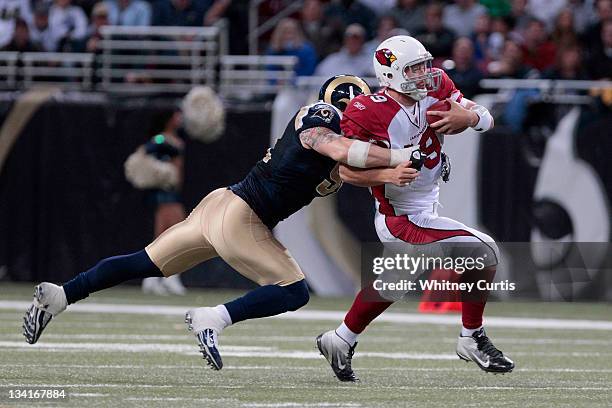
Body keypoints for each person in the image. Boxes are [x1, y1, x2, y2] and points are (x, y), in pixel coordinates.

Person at [23, 75, 422, 371]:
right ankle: (213, 318)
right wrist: (396, 155)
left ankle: (61, 296)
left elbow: (349, 169)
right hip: (243, 215)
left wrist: (392, 171)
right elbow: (334, 146)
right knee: (294, 291)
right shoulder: (321, 116)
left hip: (221, 205)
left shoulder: (344, 145)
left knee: (142, 262)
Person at [316, 35, 514, 382]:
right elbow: (345, 171)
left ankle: (340, 339)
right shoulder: (369, 110)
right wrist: (387, 172)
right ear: (390, 74)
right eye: (415, 68)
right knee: (485, 251)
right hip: (400, 217)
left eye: (425, 64)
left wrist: (466, 117)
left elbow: (485, 118)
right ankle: (472, 337)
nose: (425, 74)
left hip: (425, 207)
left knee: (392, 284)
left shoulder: (437, 87)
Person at [134, 109, 189, 296]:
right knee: (168, 236)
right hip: (164, 193)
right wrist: (160, 171)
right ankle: (163, 277)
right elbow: (145, 152)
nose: (179, 119)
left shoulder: (175, 138)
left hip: (174, 192)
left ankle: (155, 278)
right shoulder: (160, 139)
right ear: (168, 119)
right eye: (176, 115)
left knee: (171, 235)